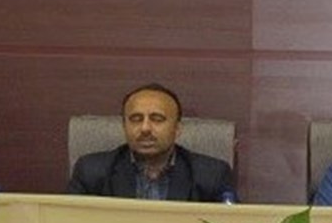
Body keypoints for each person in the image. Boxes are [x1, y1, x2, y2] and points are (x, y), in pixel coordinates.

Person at [67, 83, 235, 202]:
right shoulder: (91, 171)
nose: (145, 128)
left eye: (157, 119)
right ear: (124, 127)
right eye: (136, 119)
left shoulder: (211, 175)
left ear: (177, 128)